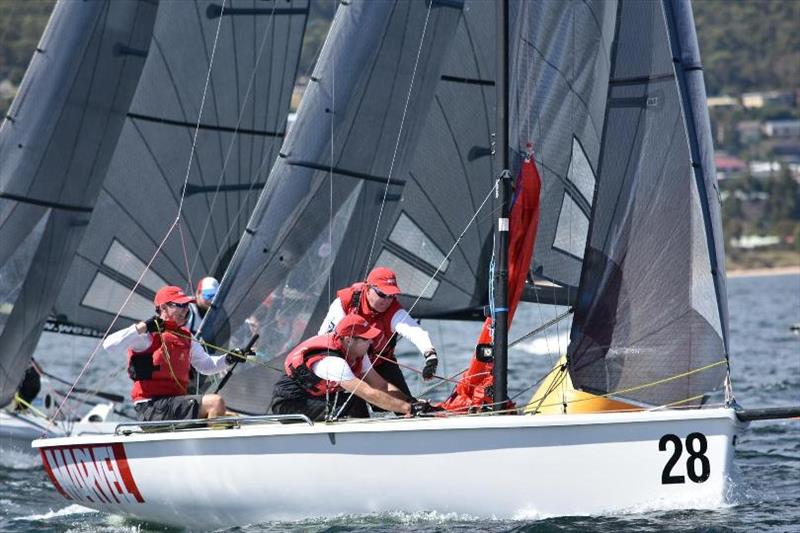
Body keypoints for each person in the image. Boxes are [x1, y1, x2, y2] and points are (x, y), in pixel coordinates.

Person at [103, 285, 247, 422]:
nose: (185, 310)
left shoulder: (186, 336)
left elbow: (206, 365)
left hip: (173, 404)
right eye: (180, 305)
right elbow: (109, 345)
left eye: (186, 305)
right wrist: (143, 327)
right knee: (215, 402)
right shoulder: (147, 336)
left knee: (227, 414)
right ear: (164, 307)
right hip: (151, 407)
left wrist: (228, 359)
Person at [271, 314, 438, 421]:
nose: (371, 342)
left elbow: (380, 384)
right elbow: (368, 392)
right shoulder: (332, 362)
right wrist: (406, 408)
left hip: (315, 399)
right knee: (350, 399)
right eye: (366, 339)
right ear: (349, 340)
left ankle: (366, 433)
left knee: (352, 399)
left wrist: (410, 401)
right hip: (290, 403)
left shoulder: (358, 353)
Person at [318, 267, 438, 398]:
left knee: (407, 405)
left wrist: (430, 356)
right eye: (382, 294)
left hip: (381, 363)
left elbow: (415, 332)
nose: (387, 301)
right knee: (356, 413)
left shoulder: (393, 310)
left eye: (391, 296)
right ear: (368, 289)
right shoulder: (345, 302)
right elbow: (325, 338)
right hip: (348, 365)